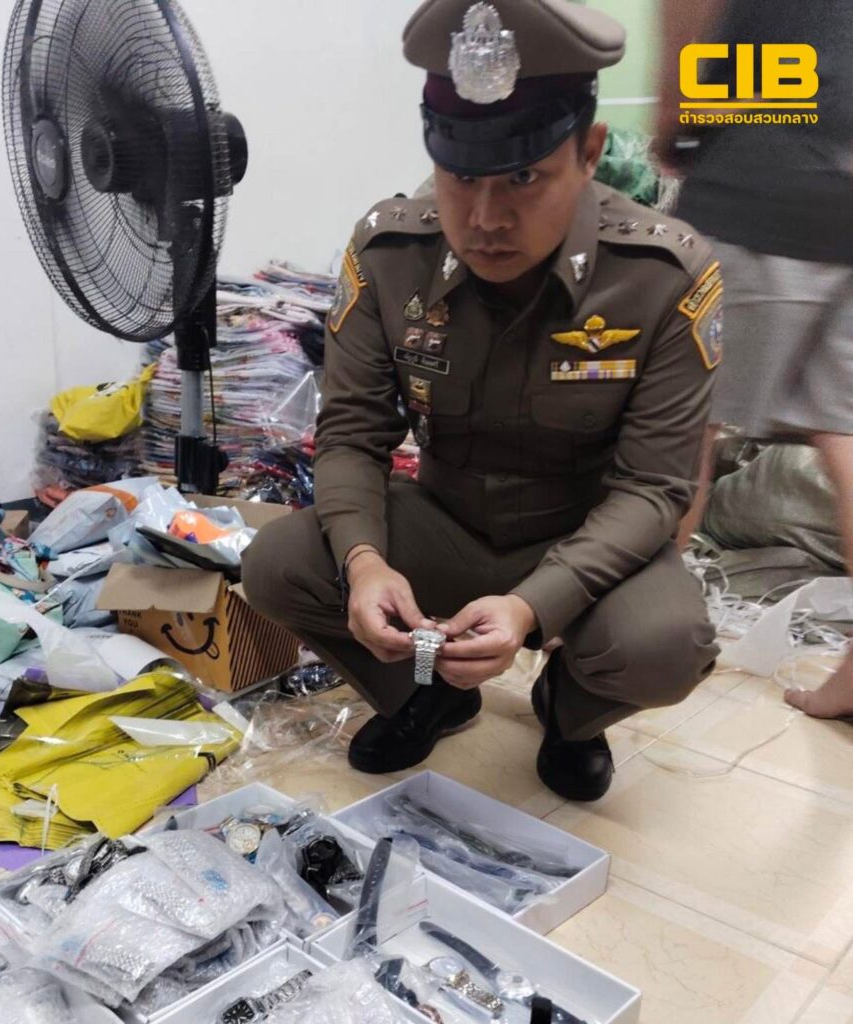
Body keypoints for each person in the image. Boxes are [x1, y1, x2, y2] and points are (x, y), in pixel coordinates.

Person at [242, 0, 721, 802]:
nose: (486, 219)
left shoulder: (662, 275)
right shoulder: (391, 253)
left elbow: (654, 488)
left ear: (589, 153)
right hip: (449, 521)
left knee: (665, 646)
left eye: (524, 177)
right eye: (461, 176)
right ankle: (428, 692)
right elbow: (353, 433)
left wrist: (533, 607)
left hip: (585, 535)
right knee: (278, 564)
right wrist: (365, 564)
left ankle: (570, 712)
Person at [658, 1, 853, 719]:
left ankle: (638, 625)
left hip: (763, 178)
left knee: (685, 420)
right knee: (844, 433)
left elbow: (689, 16)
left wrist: (675, 125)